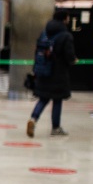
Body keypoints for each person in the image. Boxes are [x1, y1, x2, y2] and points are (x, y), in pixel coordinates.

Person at [27, 10, 76, 138]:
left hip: (44, 71)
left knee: (43, 99)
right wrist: (73, 60)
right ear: (65, 19)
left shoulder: (45, 33)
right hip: (58, 73)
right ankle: (55, 127)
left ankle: (33, 119)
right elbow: (69, 56)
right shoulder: (65, 35)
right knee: (57, 100)